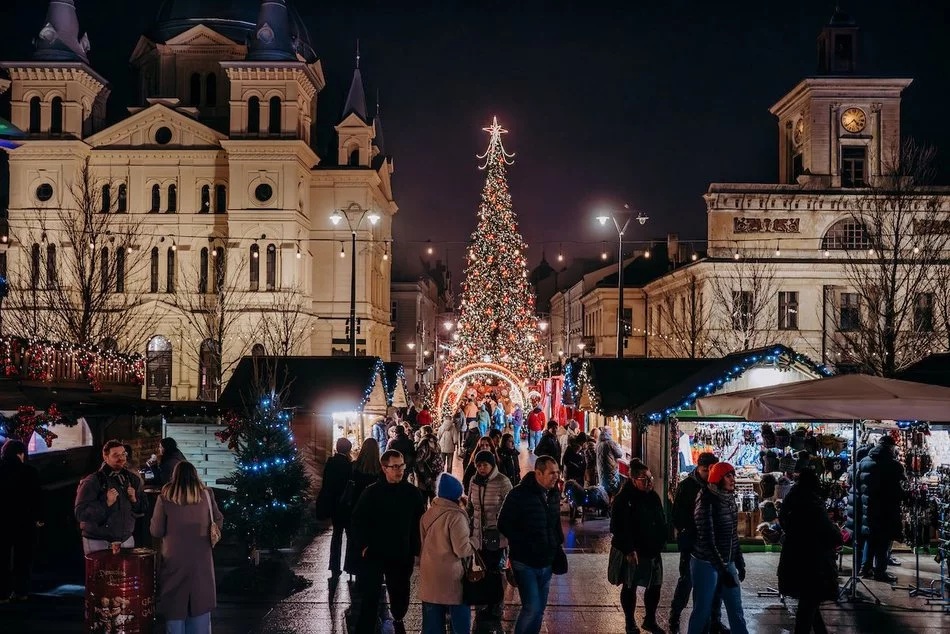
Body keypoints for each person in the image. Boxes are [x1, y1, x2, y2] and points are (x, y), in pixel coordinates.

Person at [349, 449, 426, 634]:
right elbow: (357, 521)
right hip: (375, 553)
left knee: (400, 593)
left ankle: (398, 619)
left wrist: (417, 550)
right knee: (370, 596)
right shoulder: (371, 492)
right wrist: (364, 545)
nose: (400, 470)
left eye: (402, 465)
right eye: (395, 466)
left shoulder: (412, 493)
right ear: (384, 468)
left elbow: (420, 523)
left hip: (401, 552)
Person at [150, 461, 223, 634]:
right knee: (200, 604)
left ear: (174, 476)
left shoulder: (164, 497)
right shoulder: (206, 494)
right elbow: (218, 519)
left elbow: (156, 530)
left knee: (175, 606)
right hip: (201, 559)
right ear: (195, 474)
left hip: (174, 559)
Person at [498, 455, 564, 634]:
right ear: (538, 473)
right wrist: (523, 541)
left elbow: (555, 522)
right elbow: (503, 523)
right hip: (525, 561)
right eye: (551, 473)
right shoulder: (518, 494)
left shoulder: (553, 494)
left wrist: (557, 542)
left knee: (540, 610)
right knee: (532, 607)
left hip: (547, 560)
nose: (556, 476)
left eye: (557, 472)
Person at [778, 468, 842, 634]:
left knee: (809, 603)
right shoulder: (813, 503)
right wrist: (837, 533)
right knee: (808, 604)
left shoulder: (791, 499)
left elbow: (785, 522)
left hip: (794, 556)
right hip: (813, 561)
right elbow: (828, 531)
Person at [687, 462, 748, 634]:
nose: (733, 479)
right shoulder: (706, 499)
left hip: (726, 562)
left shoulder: (729, 499)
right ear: (718, 478)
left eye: (733, 475)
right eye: (728, 476)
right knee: (702, 611)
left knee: (736, 610)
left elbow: (733, 535)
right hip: (705, 563)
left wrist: (739, 562)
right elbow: (707, 540)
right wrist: (723, 570)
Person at [670, 452, 726, 634]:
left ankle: (714, 620)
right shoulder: (687, 486)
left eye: (711, 470)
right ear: (699, 468)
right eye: (705, 470)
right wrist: (689, 532)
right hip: (692, 543)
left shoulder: (717, 485)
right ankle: (675, 616)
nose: (708, 474)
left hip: (713, 544)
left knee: (715, 584)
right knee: (687, 581)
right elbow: (677, 515)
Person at [610, 460, 667, 634]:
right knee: (630, 585)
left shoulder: (653, 496)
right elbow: (618, 528)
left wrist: (660, 540)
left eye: (650, 478)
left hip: (652, 549)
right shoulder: (623, 499)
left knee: (655, 585)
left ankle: (650, 619)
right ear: (633, 479)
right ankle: (630, 621)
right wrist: (628, 549)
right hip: (633, 550)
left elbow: (660, 519)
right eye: (644, 479)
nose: (649, 482)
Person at [419, 473, 474, 634]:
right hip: (451, 577)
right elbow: (462, 549)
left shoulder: (428, 514)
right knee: (460, 623)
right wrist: (476, 542)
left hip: (429, 574)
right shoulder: (456, 516)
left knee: (432, 625)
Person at [75, 439, 147, 554]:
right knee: (100, 573)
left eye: (123, 454)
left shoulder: (133, 479)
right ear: (105, 457)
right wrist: (106, 504)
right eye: (116, 455)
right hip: (98, 541)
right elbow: (80, 513)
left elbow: (143, 508)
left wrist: (134, 500)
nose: (121, 458)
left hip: (125, 540)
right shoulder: (91, 481)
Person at [468, 450, 513, 623]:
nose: (481, 468)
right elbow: (471, 507)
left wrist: (501, 527)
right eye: (478, 465)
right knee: (481, 569)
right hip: (478, 536)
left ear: (492, 464)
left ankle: (496, 603)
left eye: (485, 465)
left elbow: (509, 509)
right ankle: (483, 601)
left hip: (497, 536)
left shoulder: (502, 481)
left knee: (495, 571)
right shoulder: (474, 481)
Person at [858, 435, 906, 582]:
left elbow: (858, 484)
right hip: (886, 508)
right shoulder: (893, 465)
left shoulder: (864, 461)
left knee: (870, 539)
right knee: (883, 541)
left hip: (868, 507)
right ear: (890, 447)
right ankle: (880, 571)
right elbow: (898, 490)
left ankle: (865, 568)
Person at [0, 439, 43, 602]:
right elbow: (37, 497)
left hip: (2, 522)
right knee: (23, 558)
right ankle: (21, 591)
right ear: (21, 454)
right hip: (25, 521)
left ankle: (2, 593)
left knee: (2, 558)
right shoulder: (30, 471)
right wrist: (39, 518)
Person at [314, 437, 353, 578]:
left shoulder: (330, 462)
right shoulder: (349, 465)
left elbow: (326, 484)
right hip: (346, 504)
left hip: (334, 504)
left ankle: (334, 565)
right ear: (348, 449)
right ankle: (349, 566)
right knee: (350, 536)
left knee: (336, 535)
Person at [344, 439, 382, 577]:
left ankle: (354, 568)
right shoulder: (380, 469)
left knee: (354, 540)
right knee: (373, 541)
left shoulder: (355, 467)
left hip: (355, 509)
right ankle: (372, 568)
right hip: (374, 511)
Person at [415, 425, 445, 501]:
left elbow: (419, 458)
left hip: (425, 471)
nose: (420, 434)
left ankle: (425, 510)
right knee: (433, 494)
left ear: (425, 432)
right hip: (435, 471)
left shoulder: (424, 442)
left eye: (421, 432)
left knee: (423, 494)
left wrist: (416, 445)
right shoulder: (436, 442)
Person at [596, 427, 624, 498]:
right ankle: (611, 508)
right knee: (614, 493)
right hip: (611, 473)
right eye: (611, 434)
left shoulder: (599, 443)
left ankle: (606, 507)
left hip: (602, 473)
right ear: (608, 434)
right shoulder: (610, 443)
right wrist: (618, 446)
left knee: (605, 494)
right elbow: (619, 454)